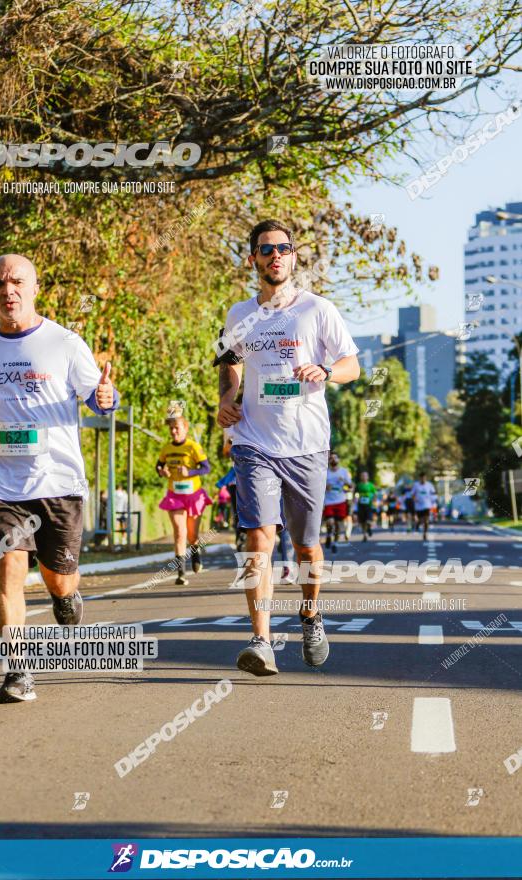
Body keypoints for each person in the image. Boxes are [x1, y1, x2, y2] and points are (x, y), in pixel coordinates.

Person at [0, 254, 119, 703]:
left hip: (57, 481)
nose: (7, 289)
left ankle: (64, 597)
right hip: (2, 484)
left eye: (17, 281)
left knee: (58, 579)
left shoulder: (64, 343)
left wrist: (105, 397)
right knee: (9, 568)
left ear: (34, 289)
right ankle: (17, 671)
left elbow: (97, 401)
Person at [216, 218, 360, 676]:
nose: (275, 255)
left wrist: (326, 372)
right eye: (265, 249)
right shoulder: (239, 314)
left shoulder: (317, 309)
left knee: (306, 548)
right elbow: (228, 361)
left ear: (294, 256)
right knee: (259, 536)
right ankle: (261, 640)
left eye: (283, 248)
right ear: (253, 259)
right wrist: (227, 396)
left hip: (307, 444)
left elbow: (352, 364)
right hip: (254, 440)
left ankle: (311, 615)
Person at [156, 409, 212, 585]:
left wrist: (190, 472)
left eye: (177, 427)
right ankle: (181, 573)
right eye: (171, 428)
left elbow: (206, 468)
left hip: (193, 495)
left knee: (192, 535)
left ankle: (195, 551)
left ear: (185, 428)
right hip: (175, 496)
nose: (173, 431)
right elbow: (158, 466)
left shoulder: (193, 447)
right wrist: (162, 471)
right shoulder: (166, 448)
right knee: (180, 533)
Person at [322, 451, 354, 554]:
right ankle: (328, 535)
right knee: (330, 522)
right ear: (328, 460)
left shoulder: (344, 471)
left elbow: (351, 486)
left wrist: (344, 481)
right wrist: (325, 487)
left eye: (335, 458)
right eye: (331, 458)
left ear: (338, 460)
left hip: (341, 501)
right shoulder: (325, 472)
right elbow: (318, 486)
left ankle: (335, 543)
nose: (333, 460)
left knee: (338, 524)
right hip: (329, 501)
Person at [412, 471, 437, 541]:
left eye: (424, 478)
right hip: (419, 506)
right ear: (419, 478)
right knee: (420, 520)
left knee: (426, 520)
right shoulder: (416, 485)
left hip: (427, 505)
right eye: (421, 478)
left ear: (425, 478)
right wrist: (415, 499)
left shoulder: (429, 485)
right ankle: (417, 524)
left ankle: (425, 533)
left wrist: (433, 499)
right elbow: (413, 494)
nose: (423, 479)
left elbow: (433, 493)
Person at [356, 471, 376, 541]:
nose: (364, 477)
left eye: (365, 476)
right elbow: (355, 494)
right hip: (361, 505)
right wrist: (355, 499)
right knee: (362, 521)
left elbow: (375, 494)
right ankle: (364, 535)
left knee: (368, 520)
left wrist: (374, 501)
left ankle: (369, 528)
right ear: (361, 477)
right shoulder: (358, 485)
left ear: (367, 477)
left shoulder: (371, 485)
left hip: (369, 505)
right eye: (363, 476)